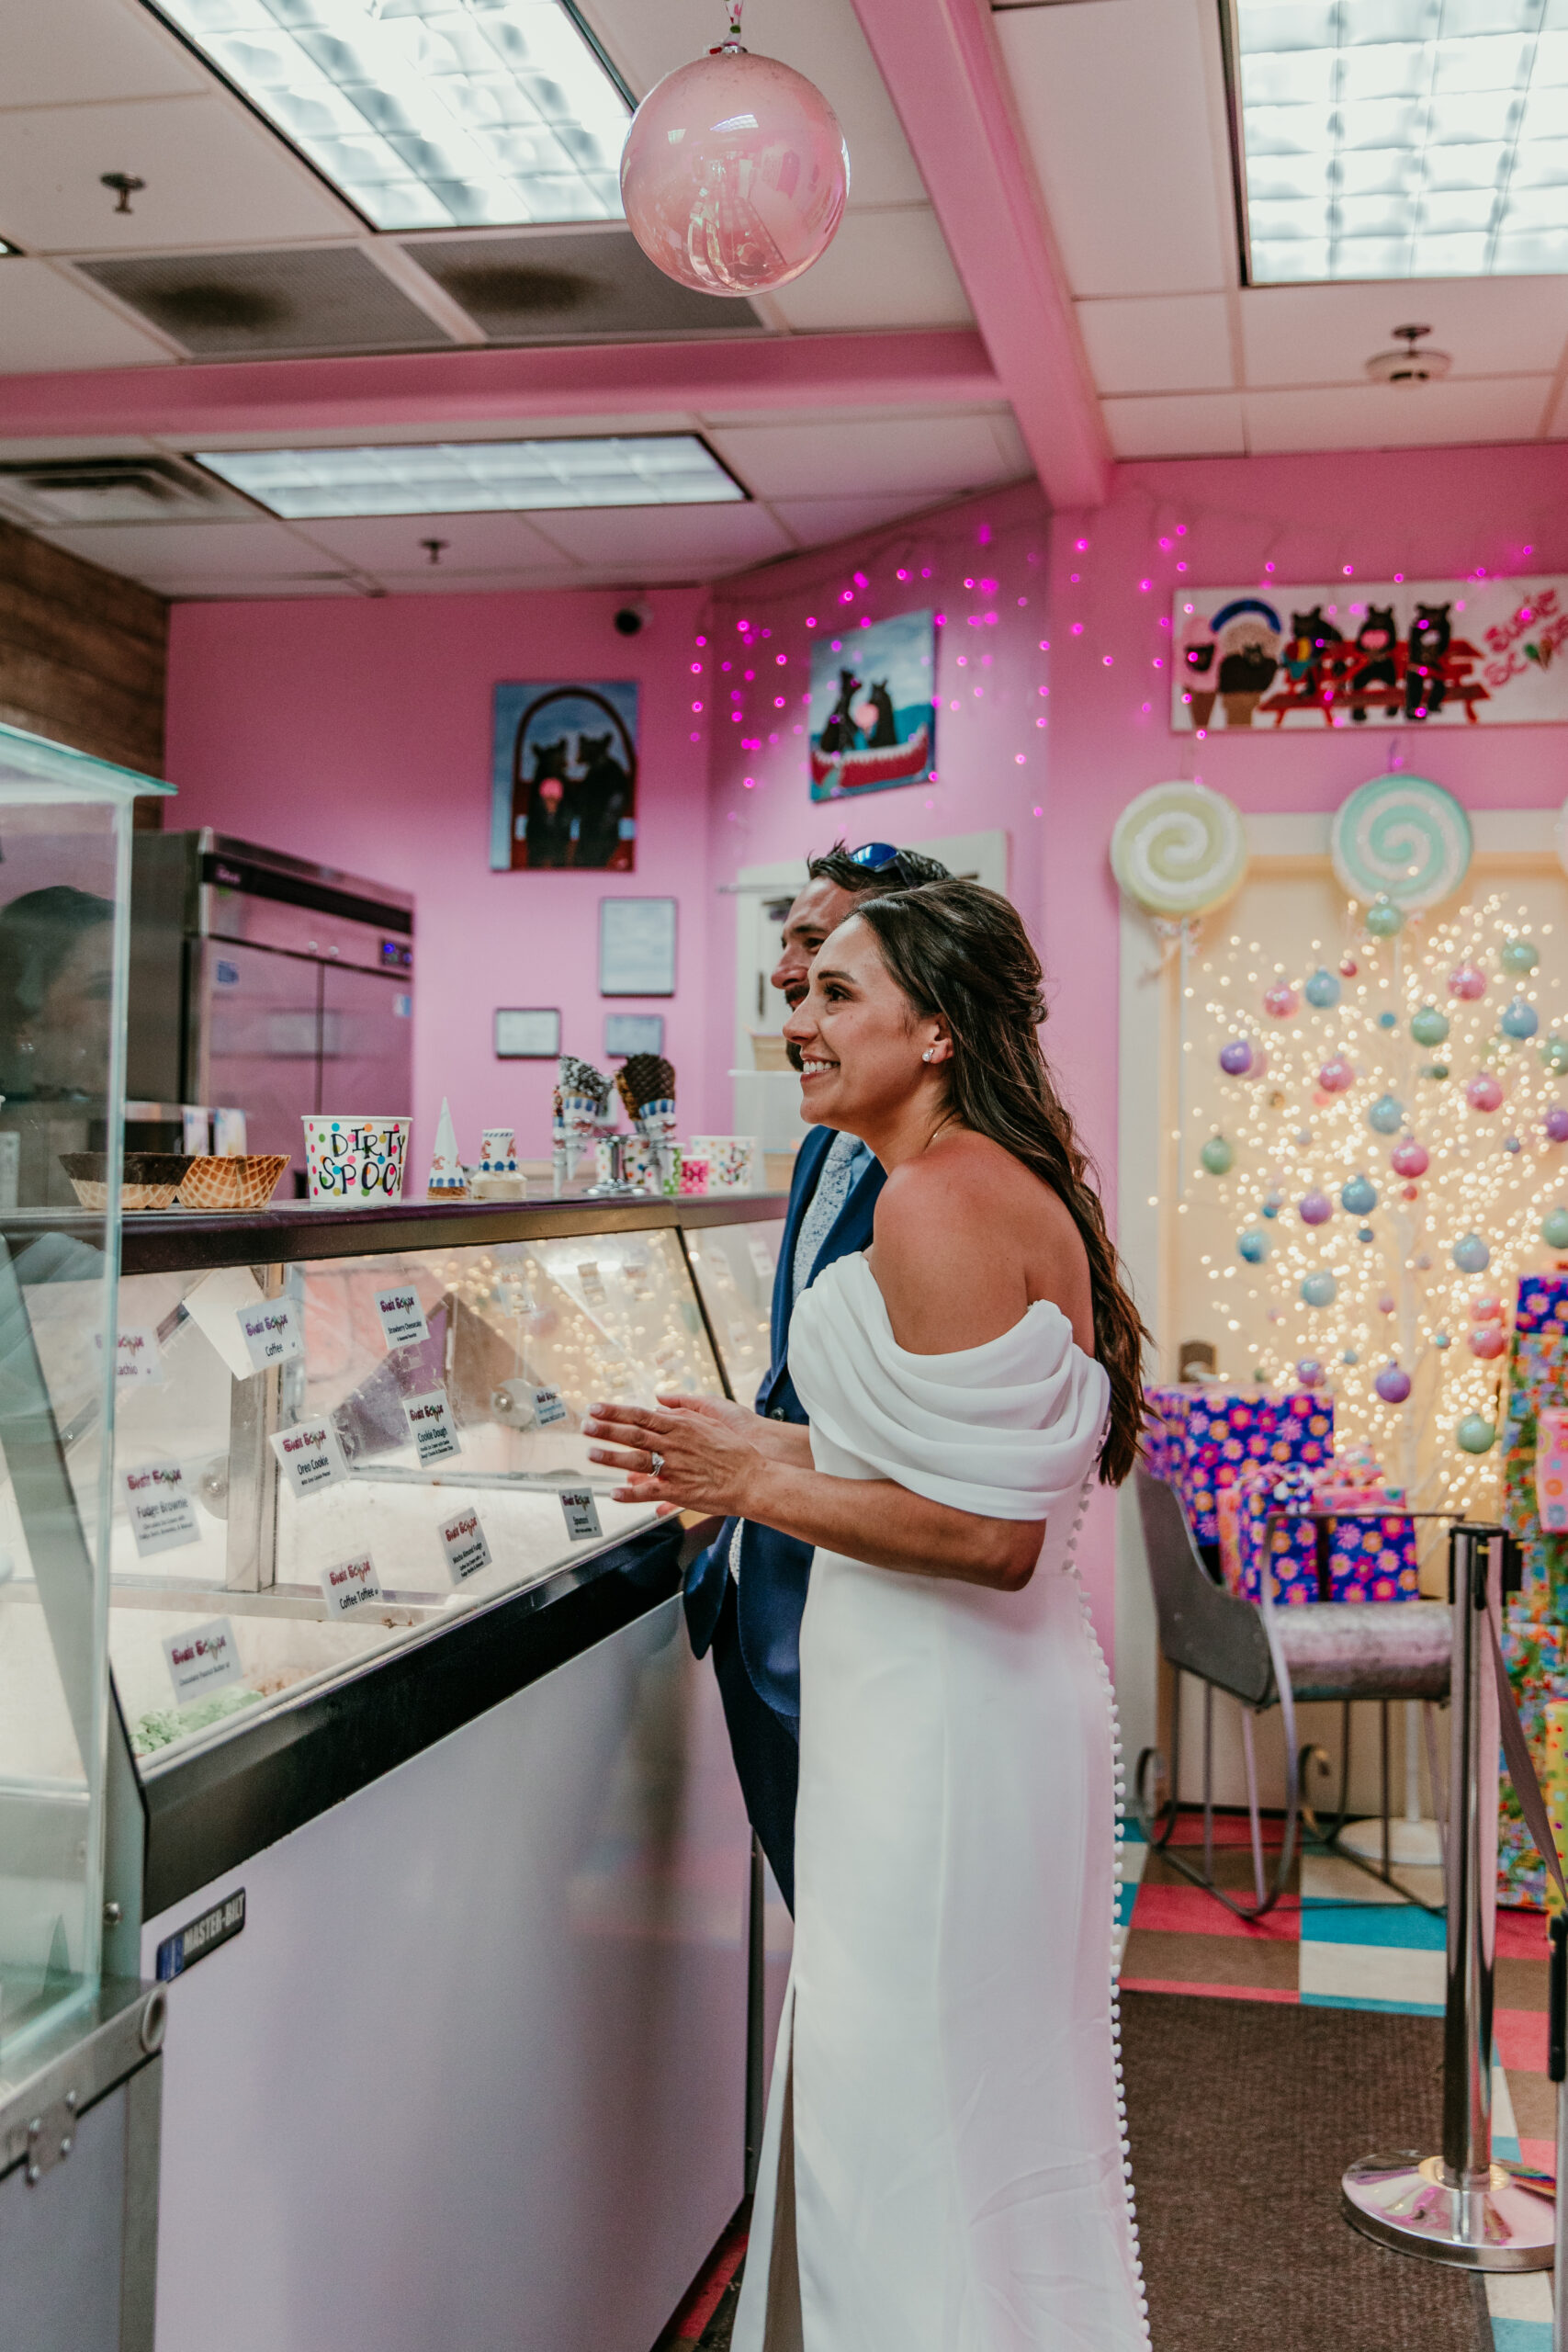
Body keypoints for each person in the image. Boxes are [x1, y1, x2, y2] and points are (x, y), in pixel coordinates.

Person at [584, 880, 1150, 2349]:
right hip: (948, 1713)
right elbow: (912, 1467)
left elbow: (987, 1538)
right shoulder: (972, 1181)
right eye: (798, 992)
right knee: (925, 2090)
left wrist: (745, 1483)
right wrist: (739, 1444)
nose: (798, 1023)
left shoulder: (934, 1202)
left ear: (939, 1029)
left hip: (944, 1732)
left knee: (900, 2097)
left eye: (839, 995)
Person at [684, 840, 951, 1915]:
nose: (790, 980)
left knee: (867, 1921)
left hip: (857, 1608)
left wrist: (751, 1469)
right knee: (824, 1924)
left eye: (826, 962)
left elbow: (968, 1500)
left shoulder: (945, 1184)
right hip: (769, 1593)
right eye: (793, 949)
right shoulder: (821, 1137)